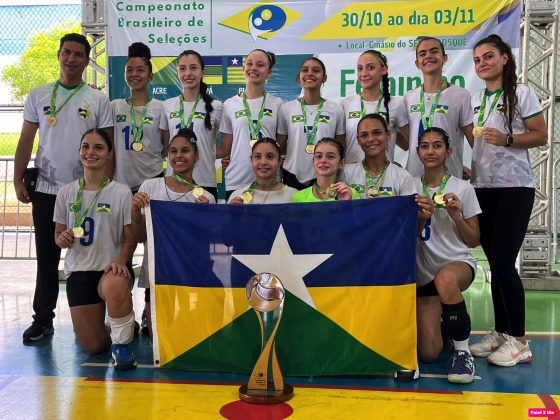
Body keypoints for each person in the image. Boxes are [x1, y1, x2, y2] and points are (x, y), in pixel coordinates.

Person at [13, 33, 113, 342]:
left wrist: (104, 188)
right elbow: (26, 141)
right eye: (66, 52)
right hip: (46, 190)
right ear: (58, 55)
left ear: (86, 60)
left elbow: (108, 147)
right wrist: (17, 179)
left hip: (86, 191)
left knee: (93, 257)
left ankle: (98, 319)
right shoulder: (38, 95)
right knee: (47, 258)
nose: (71, 59)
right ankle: (43, 319)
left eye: (78, 54)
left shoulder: (97, 99)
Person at [468, 35, 547, 367]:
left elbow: (541, 135)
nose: (482, 63)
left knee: (503, 262)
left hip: (514, 186)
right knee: (494, 264)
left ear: (504, 59)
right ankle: (501, 332)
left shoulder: (521, 92)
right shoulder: (476, 98)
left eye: (488, 56)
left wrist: (508, 139)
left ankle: (520, 340)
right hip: (483, 187)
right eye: (477, 59)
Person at [400, 127, 481, 384]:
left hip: (456, 264)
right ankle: (447, 324)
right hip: (424, 275)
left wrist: (457, 217)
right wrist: (421, 220)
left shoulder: (463, 188)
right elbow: (404, 237)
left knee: (445, 279)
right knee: (429, 353)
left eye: (437, 145)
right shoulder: (409, 187)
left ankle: (463, 353)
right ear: (417, 152)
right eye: (424, 146)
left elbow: (473, 240)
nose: (430, 151)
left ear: (449, 152)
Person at [53, 129, 137, 369]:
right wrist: (63, 238)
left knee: (115, 284)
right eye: (86, 146)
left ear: (109, 154)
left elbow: (130, 238)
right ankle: (121, 324)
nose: (91, 152)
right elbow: (58, 236)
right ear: (79, 151)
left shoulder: (121, 192)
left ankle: (122, 344)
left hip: (110, 269)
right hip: (80, 271)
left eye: (98, 147)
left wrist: (121, 260)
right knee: (93, 345)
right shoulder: (66, 193)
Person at [131, 128, 215, 339]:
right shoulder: (150, 187)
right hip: (157, 274)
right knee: (158, 340)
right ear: (168, 155)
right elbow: (140, 237)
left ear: (196, 156)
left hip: (189, 276)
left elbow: (206, 248)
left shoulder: (205, 198)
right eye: (173, 151)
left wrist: (205, 219)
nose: (179, 156)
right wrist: (135, 212)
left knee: (187, 337)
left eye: (185, 150)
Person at [403, 37, 474, 178]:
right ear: (417, 63)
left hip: (449, 175)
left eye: (434, 51)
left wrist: (457, 162)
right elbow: (408, 141)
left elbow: (473, 140)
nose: (428, 56)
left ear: (444, 58)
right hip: (415, 177)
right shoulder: (409, 97)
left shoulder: (461, 95)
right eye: (422, 53)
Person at [218, 49, 283, 199]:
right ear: (243, 68)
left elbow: (280, 146)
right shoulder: (229, 105)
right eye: (249, 64)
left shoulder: (278, 104)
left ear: (269, 72)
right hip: (237, 179)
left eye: (260, 65)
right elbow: (226, 148)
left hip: (270, 179)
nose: (253, 68)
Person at [161, 50, 222, 200]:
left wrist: (207, 153)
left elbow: (227, 146)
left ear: (202, 72)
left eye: (193, 68)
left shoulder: (216, 106)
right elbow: (166, 145)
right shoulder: (167, 105)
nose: (188, 73)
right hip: (173, 181)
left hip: (204, 180)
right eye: (182, 68)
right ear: (177, 72)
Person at [277, 57, 345, 190]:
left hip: (324, 175)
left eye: (316, 70)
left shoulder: (336, 109)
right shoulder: (286, 108)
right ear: (299, 77)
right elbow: (280, 146)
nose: (310, 74)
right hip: (291, 174)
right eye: (305, 70)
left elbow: (341, 147)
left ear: (324, 78)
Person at [112, 42, 164, 194]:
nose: (134, 74)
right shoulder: (114, 106)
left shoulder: (161, 108)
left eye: (141, 70)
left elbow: (167, 146)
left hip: (153, 181)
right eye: (129, 70)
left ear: (150, 76)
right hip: (122, 184)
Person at [341, 50, 409, 164]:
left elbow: (408, 143)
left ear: (383, 70)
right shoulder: (346, 104)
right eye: (360, 68)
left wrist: (392, 163)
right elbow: (339, 144)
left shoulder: (395, 105)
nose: (364, 73)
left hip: (383, 173)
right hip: (351, 173)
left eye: (370, 68)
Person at [343, 113, 415, 199]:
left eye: (377, 133)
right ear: (358, 140)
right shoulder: (346, 174)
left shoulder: (403, 177)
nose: (370, 139)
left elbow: (408, 207)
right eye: (364, 135)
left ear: (388, 135)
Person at [228, 137, 297, 204]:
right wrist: (231, 210)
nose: (263, 162)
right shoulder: (237, 196)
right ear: (251, 160)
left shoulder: (293, 195)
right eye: (258, 157)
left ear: (279, 161)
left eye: (270, 157)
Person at [291, 138, 359, 202]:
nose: (323, 160)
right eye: (319, 156)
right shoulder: (298, 197)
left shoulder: (351, 193)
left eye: (330, 156)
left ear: (341, 163)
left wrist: (345, 203)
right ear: (313, 162)